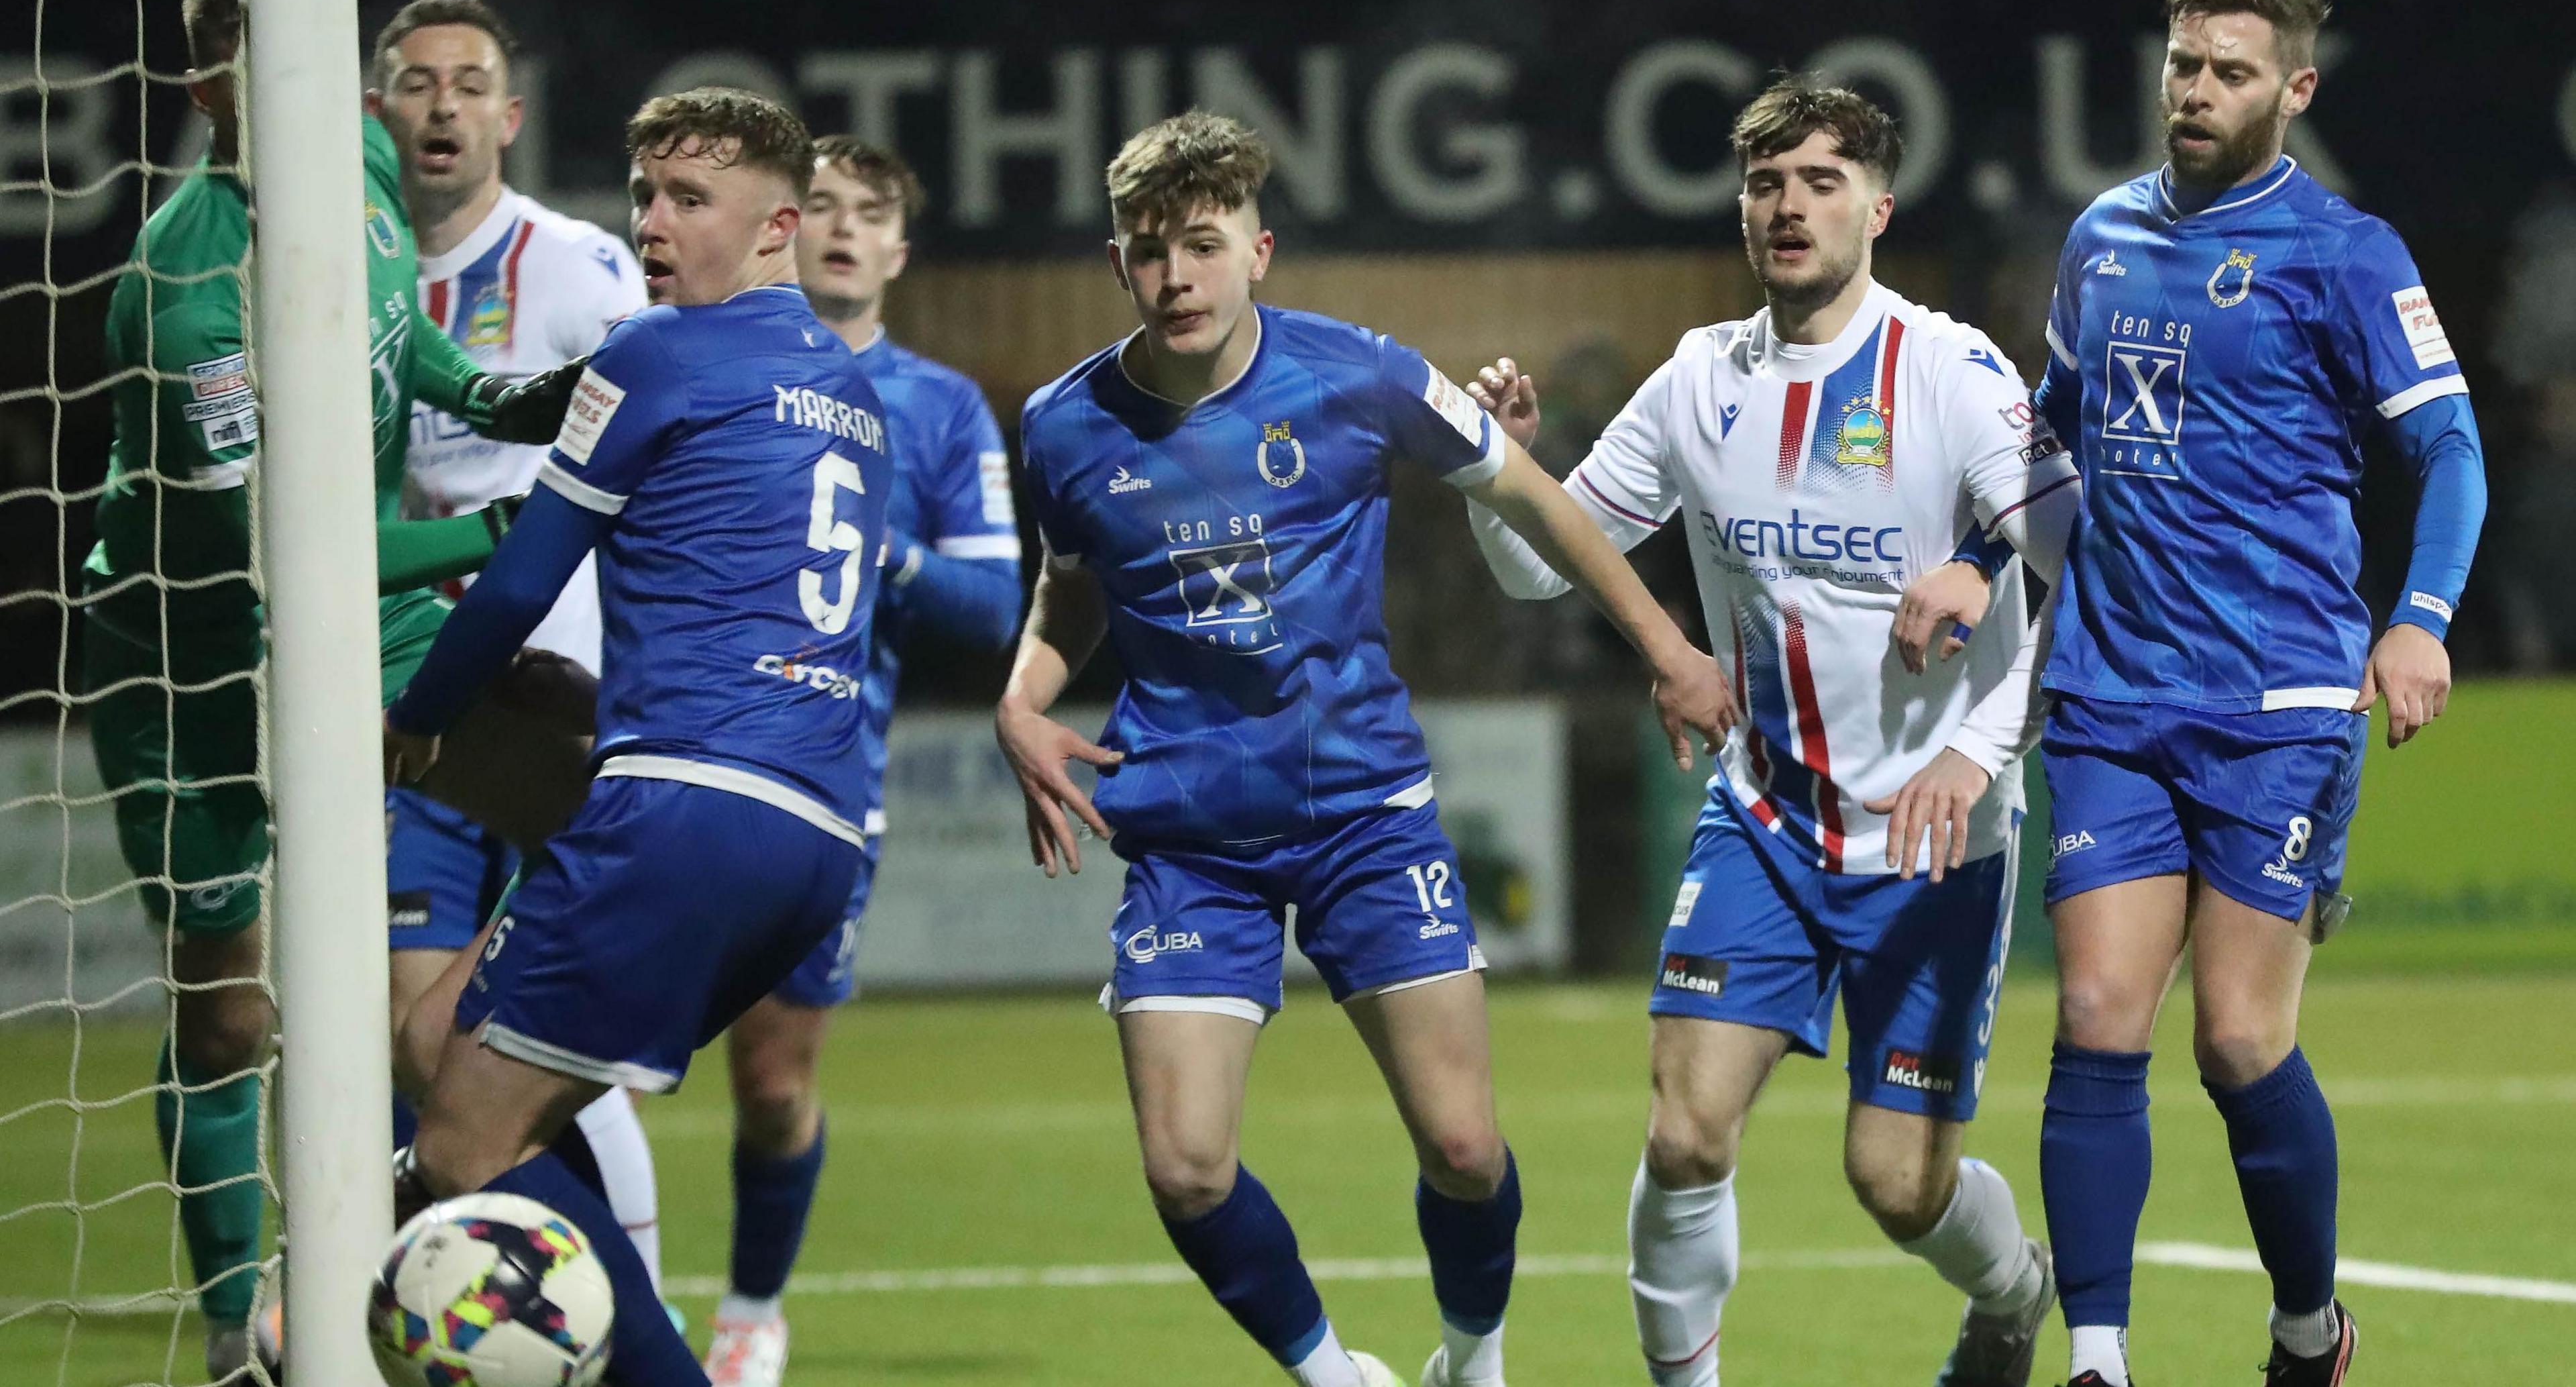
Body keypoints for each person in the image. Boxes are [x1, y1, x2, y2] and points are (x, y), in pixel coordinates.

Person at [998, 109, 1732, 1387]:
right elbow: (1074, 592)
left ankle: (1472, 1358)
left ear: (1260, 252)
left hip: (1362, 813)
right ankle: (1337, 1375)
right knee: (1183, 1166)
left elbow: (1538, 500)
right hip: (1186, 833)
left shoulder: (1359, 375)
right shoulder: (1066, 426)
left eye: (1205, 245)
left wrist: (1668, 651)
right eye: (1152, 250)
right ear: (1119, 263)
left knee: (1462, 1148)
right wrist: (1023, 696)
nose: (1179, 276)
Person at [1917, 0, 2486, 1385]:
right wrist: (1984, 560)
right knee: (2102, 1015)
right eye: (2184, 66)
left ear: (2294, 88)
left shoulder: (2349, 255)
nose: (2197, 91)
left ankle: (2309, 1329)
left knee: (2238, 1042)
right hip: (2111, 696)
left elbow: (2451, 449)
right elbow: (2050, 427)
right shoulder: (2103, 235)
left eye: (2232, 71)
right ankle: (2099, 1360)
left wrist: (2417, 615)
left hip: (2281, 705)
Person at [1462, 79, 2077, 1387]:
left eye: (1818, 181)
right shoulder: (1699, 381)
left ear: (1877, 204)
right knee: (1685, 1136)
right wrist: (1503, 482)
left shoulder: (1951, 370)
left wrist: (1982, 747)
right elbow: (1537, 569)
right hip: (1769, 822)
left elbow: (2088, 568)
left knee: (1897, 1187)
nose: (1788, 207)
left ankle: (2014, 1291)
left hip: (1934, 841)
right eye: (1764, 184)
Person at [80, 0, 578, 1378]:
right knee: (231, 1008)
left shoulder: (354, 154)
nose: (324, 111)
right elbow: (290, 560)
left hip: (363, 609)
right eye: (265, 85)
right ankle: (246, 1336)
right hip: (194, 654)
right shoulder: (185, 290)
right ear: (208, 99)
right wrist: (499, 524)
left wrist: (493, 397)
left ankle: (481, 1082)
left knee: (590, 779)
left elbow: (387, 330)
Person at [385, 87, 889, 1387]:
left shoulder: (657, 356)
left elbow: (514, 588)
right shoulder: (847, 392)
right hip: (816, 836)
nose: (654, 225)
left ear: (778, 227)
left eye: (690, 201)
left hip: (680, 811)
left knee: (453, 1150)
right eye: (646, 194)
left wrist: (419, 722)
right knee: (437, 1041)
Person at [702, 138, 1022, 1387]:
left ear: (899, 247)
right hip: (665, 762)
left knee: (774, 1087)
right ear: (779, 226)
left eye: (869, 213)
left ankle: (747, 1312)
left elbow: (994, 612)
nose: (842, 228)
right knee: (566, 1058)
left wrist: (881, 555)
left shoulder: (938, 407)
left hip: (827, 787)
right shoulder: (709, 362)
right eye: (818, 206)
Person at [366, 0, 667, 1295]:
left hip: (558, 707)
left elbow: (659, 457)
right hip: (410, 710)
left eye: (468, 82)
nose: (442, 105)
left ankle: (637, 1290)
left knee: (543, 1028)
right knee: (414, 1042)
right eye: (417, 81)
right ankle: (498, 1288)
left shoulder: (579, 267)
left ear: (510, 115)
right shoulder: (346, 266)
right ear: (378, 105)